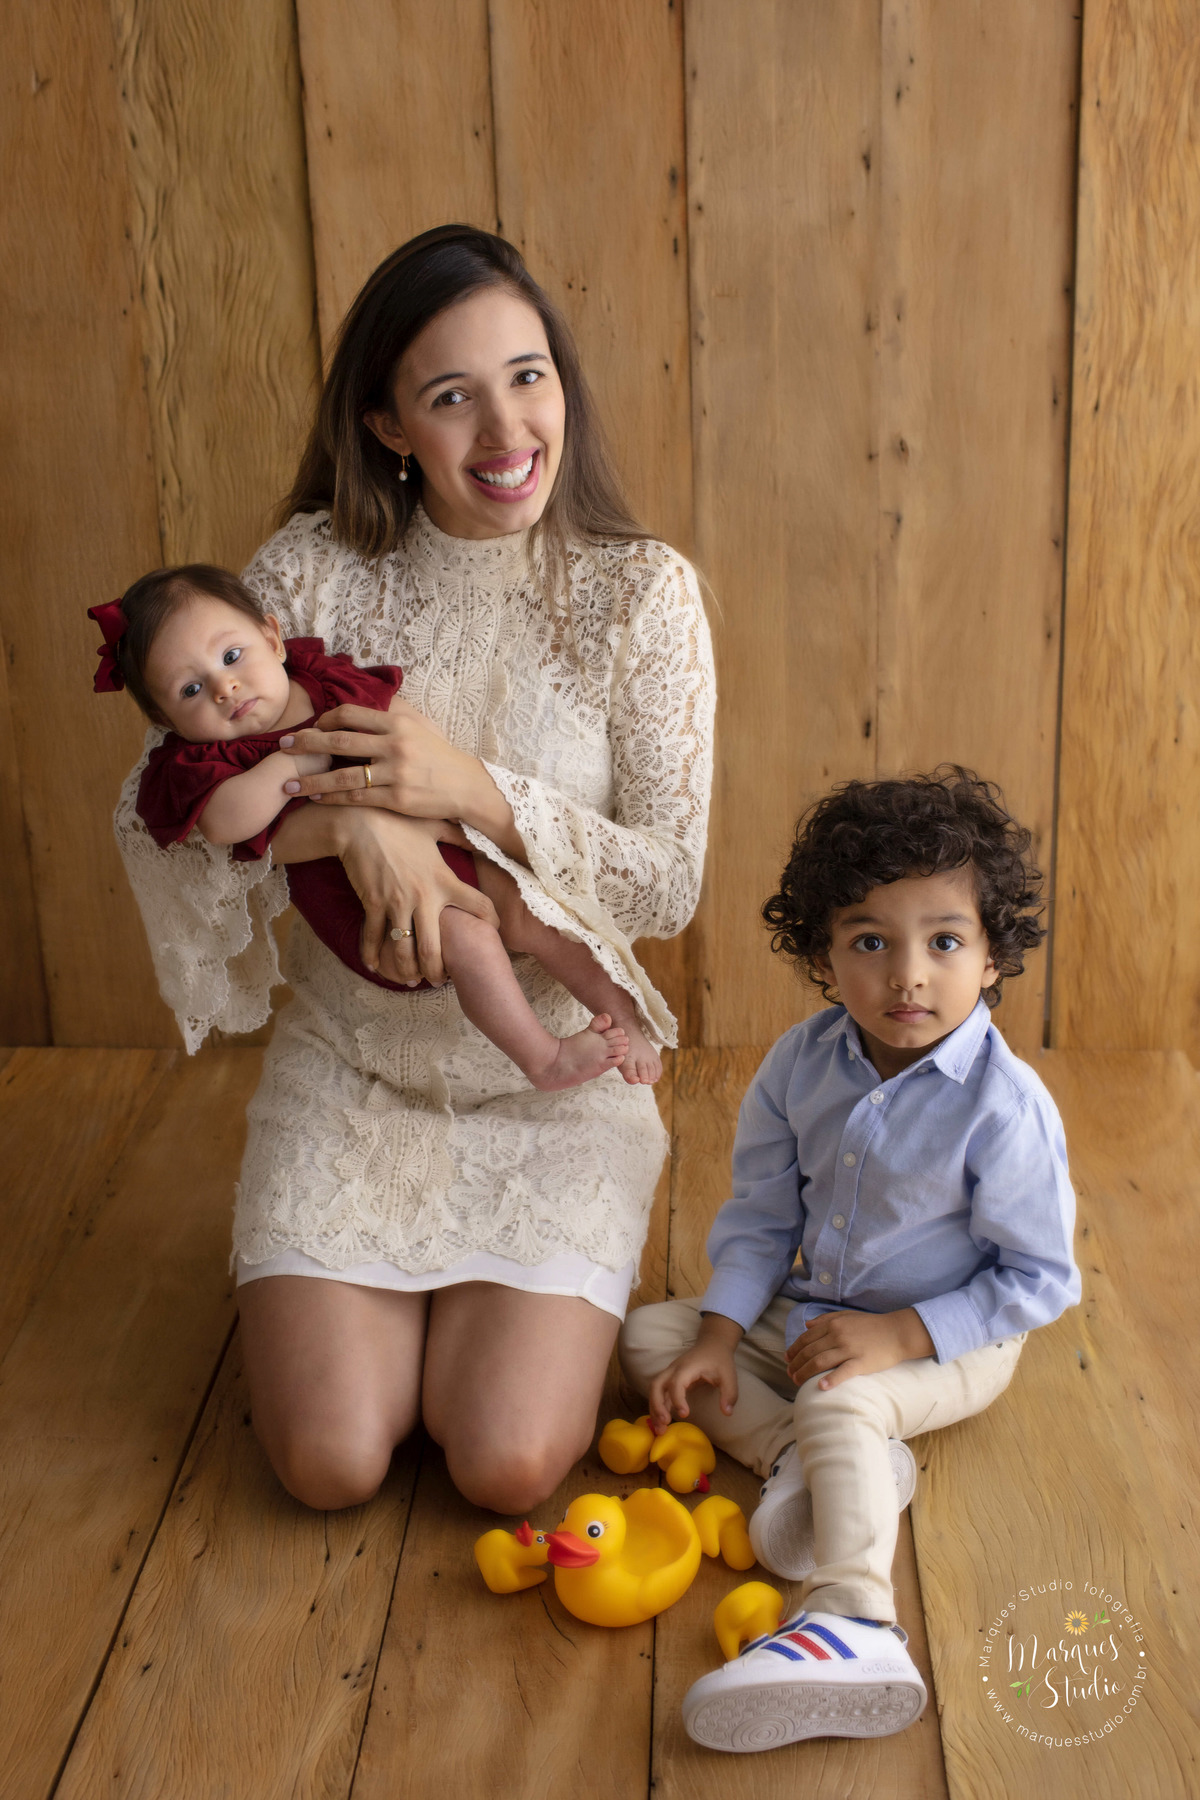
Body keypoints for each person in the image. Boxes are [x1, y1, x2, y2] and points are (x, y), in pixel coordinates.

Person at [113, 224, 714, 1515]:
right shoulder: (310, 574)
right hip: (357, 1072)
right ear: (389, 424)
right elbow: (159, 796)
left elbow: (666, 883)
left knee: (500, 1462)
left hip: (553, 1075)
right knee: (329, 1463)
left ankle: (511, 1290)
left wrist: (464, 791)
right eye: (452, 396)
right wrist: (354, 825)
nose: (507, 428)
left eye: (529, 375)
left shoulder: (642, 596)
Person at [619, 769, 1080, 1751]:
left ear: (993, 956)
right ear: (825, 957)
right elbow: (757, 1218)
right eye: (871, 941)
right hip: (815, 1306)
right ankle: (814, 1464)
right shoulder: (800, 1063)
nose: (907, 975)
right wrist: (718, 1333)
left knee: (841, 1390)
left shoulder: (1004, 1107)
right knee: (652, 1334)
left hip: (953, 1330)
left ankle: (855, 1618)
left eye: (944, 942)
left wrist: (899, 1335)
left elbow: (1038, 1281)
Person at [91, 566, 663, 1090]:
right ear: (166, 721)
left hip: (446, 844)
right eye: (191, 690)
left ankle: (623, 1013)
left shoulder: (326, 684)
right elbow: (223, 823)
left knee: (533, 910)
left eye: (232, 655)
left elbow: (407, 729)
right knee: (468, 939)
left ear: (271, 637)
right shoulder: (213, 762)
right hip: (368, 909)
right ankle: (544, 1059)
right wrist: (294, 763)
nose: (224, 688)